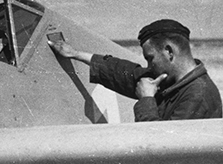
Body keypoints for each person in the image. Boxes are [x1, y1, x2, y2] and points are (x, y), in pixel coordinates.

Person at [47, 19, 222, 121]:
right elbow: (125, 73)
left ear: (169, 51)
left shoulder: (198, 96)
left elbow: (158, 149)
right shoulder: (175, 81)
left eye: (150, 58)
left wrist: (146, 99)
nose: (148, 67)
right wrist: (76, 54)